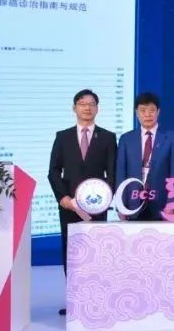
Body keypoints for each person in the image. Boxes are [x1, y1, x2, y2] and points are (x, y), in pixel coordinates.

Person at [47, 89, 116, 316]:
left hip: (97, 205)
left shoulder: (108, 137)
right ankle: (75, 301)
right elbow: (53, 172)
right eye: (82, 103)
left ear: (97, 108)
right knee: (71, 251)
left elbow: (112, 173)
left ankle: (96, 300)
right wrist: (63, 198)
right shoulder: (63, 137)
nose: (87, 107)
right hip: (70, 205)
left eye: (92, 104)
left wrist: (105, 198)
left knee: (95, 251)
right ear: (74, 107)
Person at [115, 92, 174, 221]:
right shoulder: (126, 139)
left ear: (158, 112)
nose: (147, 114)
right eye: (143, 110)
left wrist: (172, 203)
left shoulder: (171, 138)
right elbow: (121, 174)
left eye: (151, 110)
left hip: (162, 204)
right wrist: (120, 205)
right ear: (136, 113)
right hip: (132, 203)